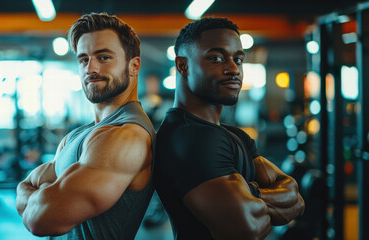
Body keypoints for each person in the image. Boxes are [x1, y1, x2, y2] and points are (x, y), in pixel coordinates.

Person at [154, 17, 305, 240]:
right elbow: (246, 229)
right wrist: (260, 196)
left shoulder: (234, 135)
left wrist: (250, 193)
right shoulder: (190, 137)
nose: (233, 69)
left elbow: (295, 199)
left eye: (238, 59)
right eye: (216, 58)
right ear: (182, 66)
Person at [16, 13, 156, 240]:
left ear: (134, 66)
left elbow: (40, 218)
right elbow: (25, 185)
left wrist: (40, 194)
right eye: (83, 59)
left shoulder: (126, 136)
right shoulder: (78, 135)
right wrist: (39, 194)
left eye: (104, 58)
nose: (91, 68)